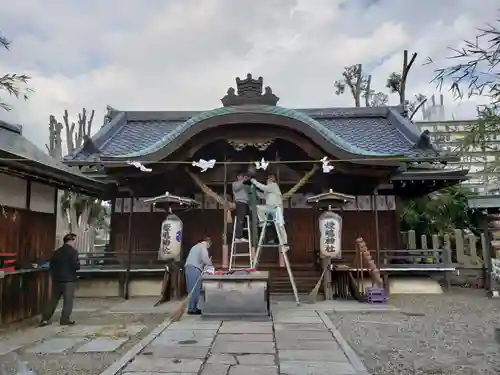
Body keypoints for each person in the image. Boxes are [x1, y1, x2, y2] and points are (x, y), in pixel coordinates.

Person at [39, 233, 80, 326]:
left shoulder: (57, 251)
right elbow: (76, 266)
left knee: (53, 300)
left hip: (57, 279)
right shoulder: (73, 252)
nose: (75, 243)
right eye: (75, 241)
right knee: (68, 301)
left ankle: (45, 319)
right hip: (69, 280)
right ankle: (64, 319)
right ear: (71, 240)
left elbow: (51, 264)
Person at [251, 174, 288, 248]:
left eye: (269, 178)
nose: (267, 180)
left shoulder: (274, 185)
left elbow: (264, 187)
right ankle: (263, 221)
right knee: (258, 208)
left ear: (272, 179)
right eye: (268, 178)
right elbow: (263, 196)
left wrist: (255, 182)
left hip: (276, 208)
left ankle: (284, 243)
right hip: (269, 207)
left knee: (280, 225)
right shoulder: (269, 189)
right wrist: (255, 190)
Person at [184, 237, 212, 315]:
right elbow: (205, 259)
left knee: (191, 289)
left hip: (188, 268)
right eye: (209, 244)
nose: (209, 246)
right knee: (195, 289)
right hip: (194, 268)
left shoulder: (195, 246)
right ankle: (192, 309)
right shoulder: (203, 246)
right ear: (207, 242)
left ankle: (192, 307)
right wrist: (210, 264)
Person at [232, 170, 250, 243]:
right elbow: (236, 189)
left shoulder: (244, 184)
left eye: (243, 177)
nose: (242, 178)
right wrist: (243, 181)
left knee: (245, 220)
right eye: (241, 176)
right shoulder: (235, 183)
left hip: (246, 203)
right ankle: (238, 237)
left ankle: (242, 236)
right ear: (237, 177)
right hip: (240, 203)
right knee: (240, 220)